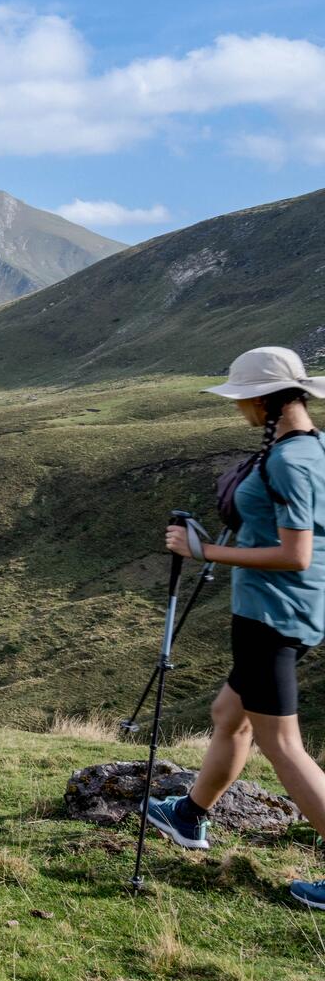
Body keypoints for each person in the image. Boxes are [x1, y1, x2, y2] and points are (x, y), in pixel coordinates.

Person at [147, 346, 325, 909]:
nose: (239, 408)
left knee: (283, 745)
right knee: (230, 715)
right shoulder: (312, 449)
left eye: (243, 398)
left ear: (263, 400)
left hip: (273, 615)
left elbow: (296, 554)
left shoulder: (290, 462)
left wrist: (208, 551)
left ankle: (192, 816)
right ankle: (190, 815)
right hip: (285, 611)